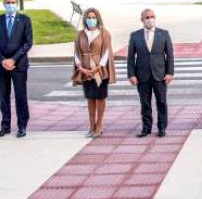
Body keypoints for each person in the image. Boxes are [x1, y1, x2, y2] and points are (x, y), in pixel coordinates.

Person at [0, 0, 33, 138]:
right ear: (3, 3)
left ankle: (22, 126)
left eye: (13, 2)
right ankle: (5, 126)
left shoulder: (25, 20)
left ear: (17, 4)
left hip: (19, 65)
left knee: (20, 96)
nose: (10, 4)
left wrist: (13, 59)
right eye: (8, 2)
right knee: (3, 96)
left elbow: (28, 42)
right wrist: (2, 60)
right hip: (2, 65)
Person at [127, 8, 174, 137]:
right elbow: (131, 57)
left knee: (161, 102)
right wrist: (131, 74)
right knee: (145, 103)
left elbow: (170, 55)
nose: (150, 19)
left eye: (152, 16)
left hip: (160, 74)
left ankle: (162, 127)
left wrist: (170, 73)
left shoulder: (163, 34)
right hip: (142, 75)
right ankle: (146, 128)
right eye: (147, 17)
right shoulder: (135, 35)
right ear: (142, 19)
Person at [71, 8, 116, 138]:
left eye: (93, 17)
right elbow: (77, 52)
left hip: (99, 71)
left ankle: (99, 125)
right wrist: (81, 67)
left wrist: (97, 68)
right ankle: (91, 125)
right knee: (90, 98)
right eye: (88, 17)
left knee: (100, 97)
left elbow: (107, 52)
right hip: (85, 70)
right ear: (85, 19)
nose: (91, 20)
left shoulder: (104, 33)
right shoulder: (80, 34)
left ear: (98, 18)